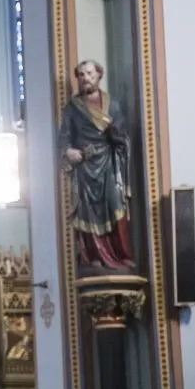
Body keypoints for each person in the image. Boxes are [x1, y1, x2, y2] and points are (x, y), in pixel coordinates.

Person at [58, 59, 134, 271]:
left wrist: (114, 131)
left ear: (99, 75)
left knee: (115, 203)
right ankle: (94, 257)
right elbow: (62, 139)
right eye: (81, 75)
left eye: (89, 73)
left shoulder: (113, 105)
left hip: (108, 163)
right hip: (85, 166)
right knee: (88, 210)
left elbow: (122, 138)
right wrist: (69, 152)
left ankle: (121, 254)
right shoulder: (72, 109)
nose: (85, 78)